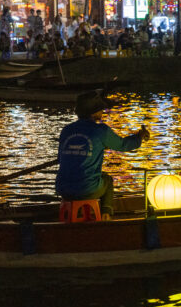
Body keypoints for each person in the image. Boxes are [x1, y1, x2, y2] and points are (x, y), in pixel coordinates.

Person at [55, 92, 150, 220]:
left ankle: (77, 216)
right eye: (101, 110)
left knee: (89, 180)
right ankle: (106, 217)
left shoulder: (66, 130)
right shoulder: (100, 130)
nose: (102, 112)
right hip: (86, 189)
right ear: (95, 112)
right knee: (108, 180)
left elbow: (60, 159)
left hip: (62, 188)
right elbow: (124, 145)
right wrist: (139, 137)